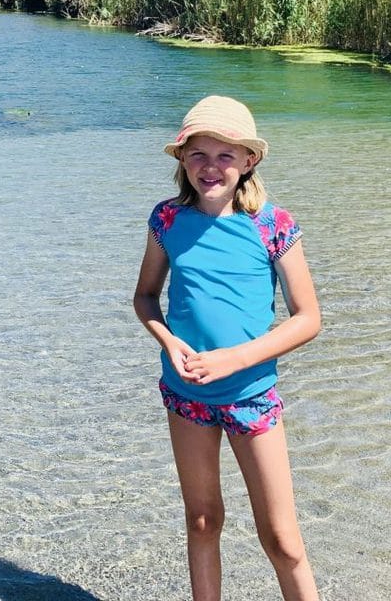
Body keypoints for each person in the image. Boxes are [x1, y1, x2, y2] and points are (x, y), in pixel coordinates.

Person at [133, 95, 321, 601]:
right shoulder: (167, 220)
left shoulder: (273, 225)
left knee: (282, 541)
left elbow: (308, 320)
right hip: (186, 395)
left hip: (251, 395)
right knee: (201, 520)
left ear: (248, 160)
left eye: (224, 155)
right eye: (198, 154)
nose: (210, 167)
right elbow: (146, 297)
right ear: (182, 160)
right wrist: (169, 343)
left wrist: (233, 359)